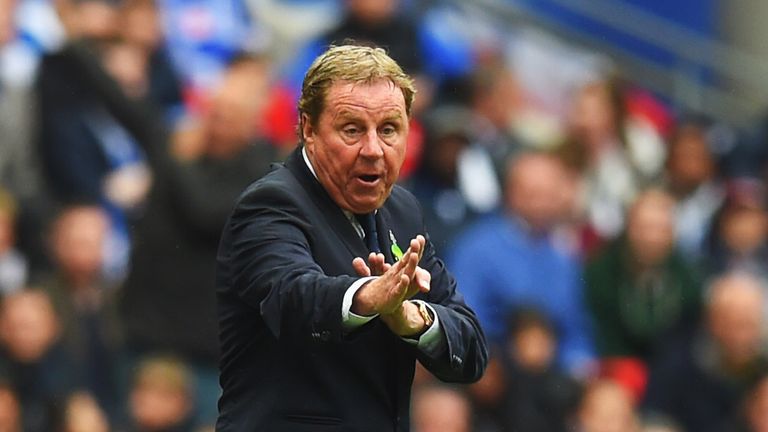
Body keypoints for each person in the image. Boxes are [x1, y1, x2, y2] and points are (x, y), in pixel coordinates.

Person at [215, 45, 488, 431]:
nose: (374, 150)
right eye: (352, 129)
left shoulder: (403, 210)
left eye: (389, 129)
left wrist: (414, 320)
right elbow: (292, 297)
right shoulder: (270, 203)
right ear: (308, 128)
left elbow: (472, 347)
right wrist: (368, 297)